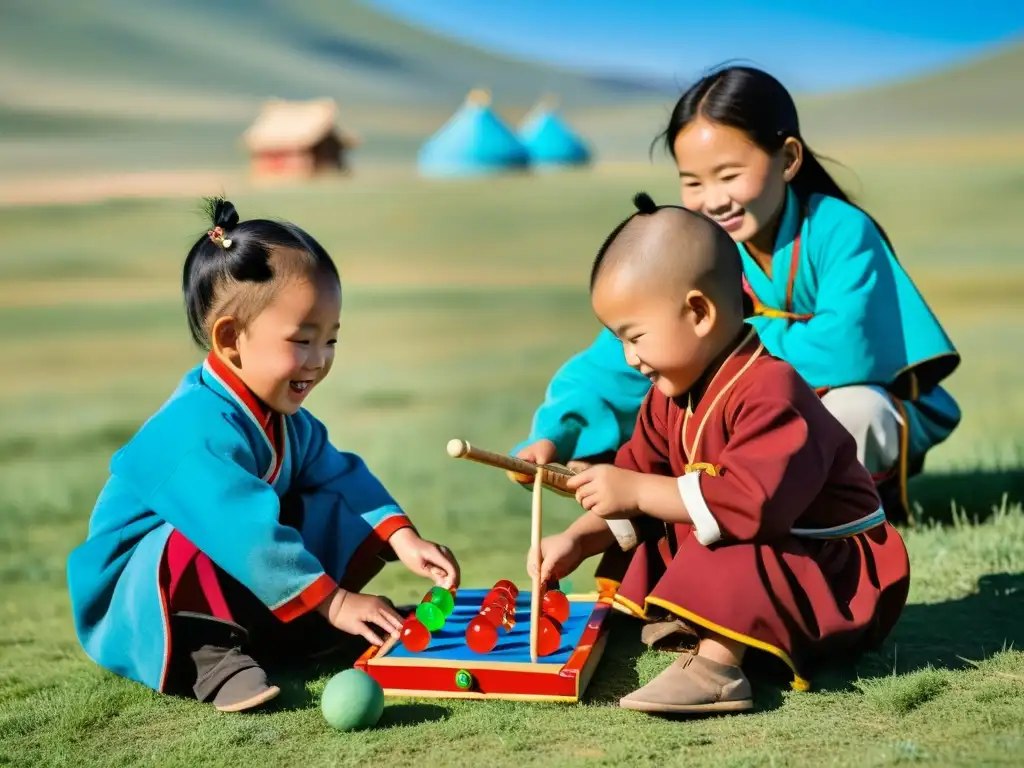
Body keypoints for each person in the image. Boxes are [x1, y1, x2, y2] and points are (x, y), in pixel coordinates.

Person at [513, 66, 960, 523]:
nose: (713, 199)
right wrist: (556, 434)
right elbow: (615, 355)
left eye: (729, 175)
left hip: (859, 408)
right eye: (693, 181)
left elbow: (844, 351)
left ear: (787, 159)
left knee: (855, 408)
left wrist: (713, 357)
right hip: (752, 410)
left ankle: (845, 516)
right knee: (646, 422)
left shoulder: (842, 231)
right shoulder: (702, 252)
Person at [66, 199, 461, 713]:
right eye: (302, 340)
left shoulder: (285, 422)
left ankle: (303, 630)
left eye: (331, 340)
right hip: (137, 597)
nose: (319, 362)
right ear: (231, 339)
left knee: (315, 499)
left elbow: (341, 477)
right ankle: (209, 655)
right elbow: (239, 528)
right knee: (216, 525)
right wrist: (336, 598)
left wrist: (404, 539)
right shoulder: (192, 429)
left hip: (227, 559)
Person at [527, 191, 911, 714]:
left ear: (700, 313)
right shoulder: (668, 399)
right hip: (770, 545)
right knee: (662, 512)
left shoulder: (774, 391)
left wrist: (638, 488)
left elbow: (752, 506)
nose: (630, 358)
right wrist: (578, 539)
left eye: (635, 337)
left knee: (732, 532)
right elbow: (641, 482)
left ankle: (718, 666)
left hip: (831, 572)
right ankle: (692, 617)